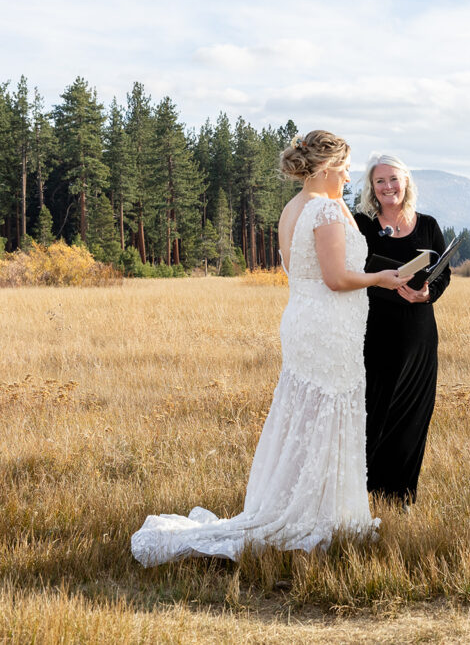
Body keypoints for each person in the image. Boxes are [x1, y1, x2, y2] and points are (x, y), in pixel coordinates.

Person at [131, 130, 410, 567]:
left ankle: (308, 505)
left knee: (306, 410)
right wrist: (382, 278)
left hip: (305, 318)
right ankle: (318, 515)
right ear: (327, 167)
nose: (351, 175)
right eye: (346, 167)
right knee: (328, 409)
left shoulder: (295, 207)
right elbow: (336, 278)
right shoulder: (323, 209)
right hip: (328, 325)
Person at [353, 153, 451, 509]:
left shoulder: (428, 225)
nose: (388, 187)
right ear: (372, 188)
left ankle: (402, 496)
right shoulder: (361, 224)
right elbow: (353, 272)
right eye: (380, 181)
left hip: (418, 332)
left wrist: (428, 292)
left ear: (406, 182)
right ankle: (364, 492)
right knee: (373, 411)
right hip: (375, 328)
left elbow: (444, 273)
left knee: (413, 415)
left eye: (394, 179)